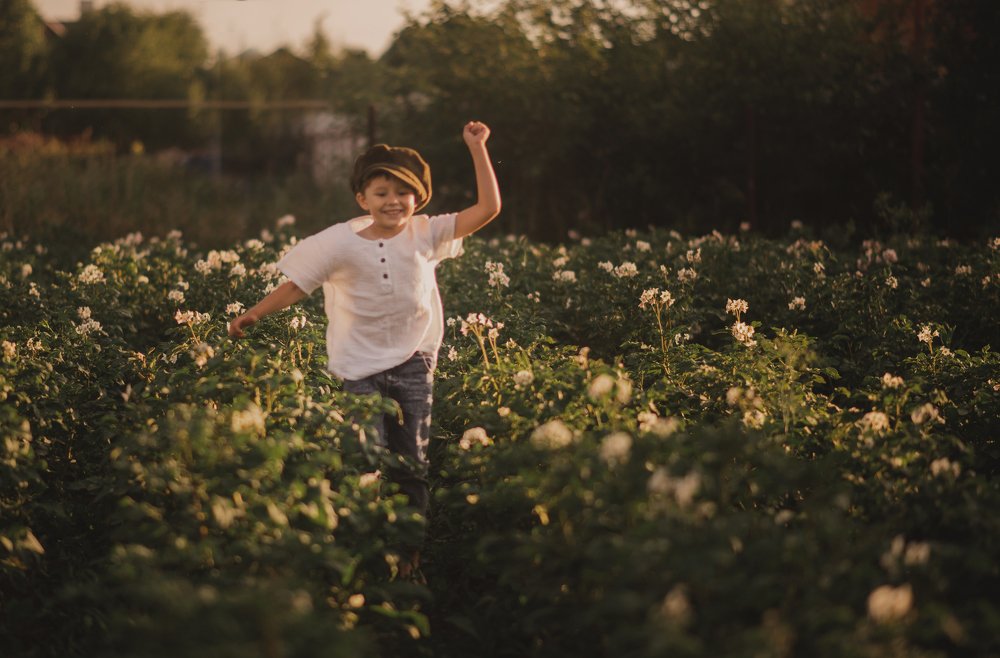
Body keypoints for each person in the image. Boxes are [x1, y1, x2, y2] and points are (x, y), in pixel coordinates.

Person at [228, 121, 501, 578]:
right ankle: (367, 549)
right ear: (362, 199)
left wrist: (477, 149)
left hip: (414, 360)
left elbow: (489, 208)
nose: (393, 201)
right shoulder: (337, 242)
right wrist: (254, 313)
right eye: (381, 192)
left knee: (411, 463)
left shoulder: (427, 233)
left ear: (418, 198)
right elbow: (297, 285)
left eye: (403, 192)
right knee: (365, 460)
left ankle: (408, 556)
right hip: (358, 368)